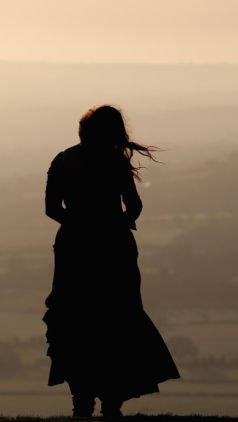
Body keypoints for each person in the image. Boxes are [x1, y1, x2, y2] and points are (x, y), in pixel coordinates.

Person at [43, 105, 180, 418]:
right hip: (114, 247)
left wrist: (78, 223)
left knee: (74, 321)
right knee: (119, 321)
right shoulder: (115, 160)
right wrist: (118, 223)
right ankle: (112, 403)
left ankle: (82, 401)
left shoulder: (63, 159)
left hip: (74, 248)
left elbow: (52, 208)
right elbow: (133, 205)